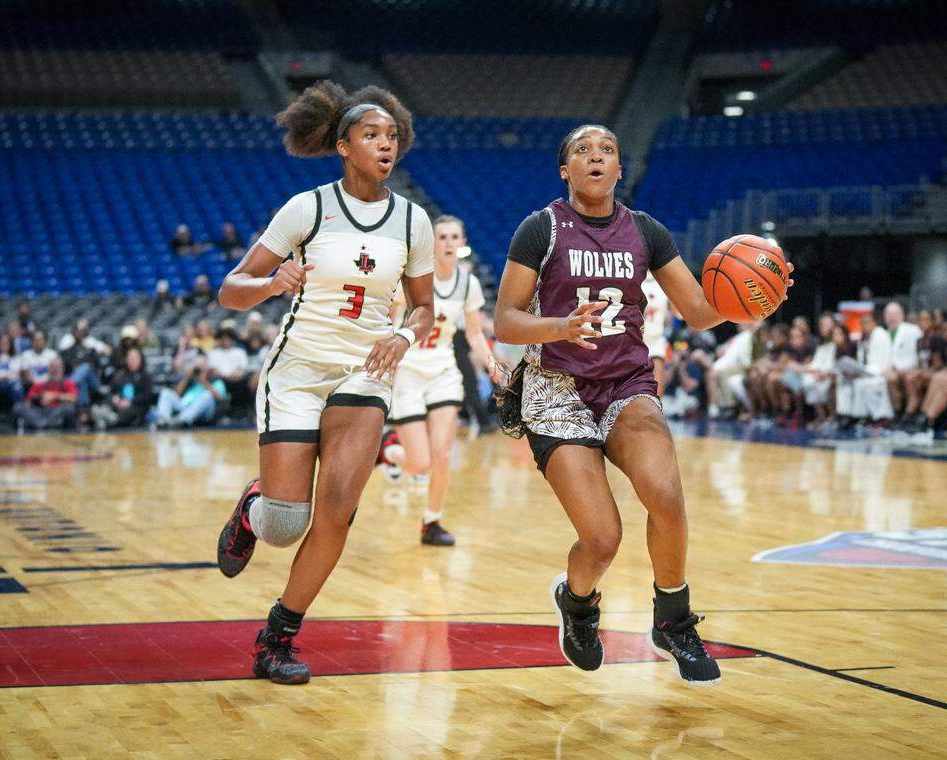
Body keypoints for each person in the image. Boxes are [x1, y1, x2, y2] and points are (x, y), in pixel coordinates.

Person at [492, 124, 792, 684]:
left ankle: (673, 622)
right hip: (556, 387)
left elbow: (701, 312)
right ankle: (577, 604)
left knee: (668, 496)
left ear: (620, 168)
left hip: (627, 381)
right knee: (603, 537)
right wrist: (559, 325)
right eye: (583, 150)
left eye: (608, 149)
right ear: (565, 170)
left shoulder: (645, 231)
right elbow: (506, 320)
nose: (596, 157)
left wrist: (753, 299)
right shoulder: (541, 229)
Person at [213, 81, 434, 686]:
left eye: (392, 136)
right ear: (343, 146)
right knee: (285, 526)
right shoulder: (306, 208)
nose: (385, 145)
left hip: (367, 371)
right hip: (298, 369)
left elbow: (423, 309)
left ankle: (277, 637)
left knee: (337, 511)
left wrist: (404, 337)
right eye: (372, 135)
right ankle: (255, 506)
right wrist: (271, 285)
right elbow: (230, 289)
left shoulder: (413, 220)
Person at [389, 214, 497, 546]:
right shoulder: (413, 278)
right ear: (431, 243)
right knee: (418, 462)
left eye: (455, 237)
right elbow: (393, 325)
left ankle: (431, 521)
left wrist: (493, 365)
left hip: (443, 371)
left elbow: (476, 334)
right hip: (408, 370)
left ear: (463, 243)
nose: (449, 243)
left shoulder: (468, 284)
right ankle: (389, 455)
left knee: (441, 454)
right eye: (442, 237)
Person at [836, 312, 893, 427]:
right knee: (846, 382)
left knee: (864, 384)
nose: (864, 326)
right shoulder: (864, 339)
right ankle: (848, 415)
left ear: (874, 322)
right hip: (868, 371)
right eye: (861, 323)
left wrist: (864, 372)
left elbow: (882, 361)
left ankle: (880, 417)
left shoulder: (881, 335)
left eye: (866, 323)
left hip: (880, 372)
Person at [153, 358, 223, 427]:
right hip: (186, 407)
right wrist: (187, 377)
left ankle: (181, 420)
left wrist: (203, 380)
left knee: (207, 395)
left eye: (201, 368)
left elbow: (220, 397)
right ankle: (163, 420)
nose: (199, 371)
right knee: (166, 392)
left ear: (207, 368)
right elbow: (177, 394)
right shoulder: (191, 380)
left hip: (206, 410)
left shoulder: (216, 380)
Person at [14, 357, 78, 431]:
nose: (55, 369)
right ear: (48, 369)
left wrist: (54, 396)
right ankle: (44, 424)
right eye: (52, 367)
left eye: (57, 367)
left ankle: (42, 425)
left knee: (69, 408)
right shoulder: (39, 384)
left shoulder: (68, 383)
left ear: (62, 369)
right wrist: (41, 397)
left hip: (56, 412)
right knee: (18, 407)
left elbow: (73, 398)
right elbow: (28, 402)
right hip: (39, 412)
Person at [882, 302, 922, 417]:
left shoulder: (913, 330)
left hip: (911, 368)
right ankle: (895, 413)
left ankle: (909, 414)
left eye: (895, 314)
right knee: (889, 378)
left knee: (903, 378)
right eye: (889, 314)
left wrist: (902, 368)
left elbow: (918, 353)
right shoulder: (883, 334)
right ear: (884, 317)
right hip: (891, 370)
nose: (891, 317)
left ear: (902, 315)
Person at [641, 273, 670, 397]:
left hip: (656, 338)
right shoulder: (636, 278)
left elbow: (676, 312)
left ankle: (658, 408)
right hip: (636, 339)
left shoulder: (664, 280)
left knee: (658, 387)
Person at [0, 333, 24, 426]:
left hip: (10, 384)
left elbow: (16, 374)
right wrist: (5, 375)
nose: (4, 345)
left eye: (6, 343)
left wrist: (2, 376)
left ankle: (19, 415)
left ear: (10, 345)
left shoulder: (15, 358)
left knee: (16, 386)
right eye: (1, 343)